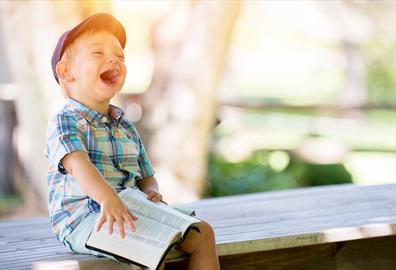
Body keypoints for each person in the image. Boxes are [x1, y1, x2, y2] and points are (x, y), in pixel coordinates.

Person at [45, 13, 220, 270]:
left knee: (203, 234)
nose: (113, 58)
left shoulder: (123, 123)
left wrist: (150, 190)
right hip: (85, 219)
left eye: (120, 55)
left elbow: (145, 174)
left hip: (130, 208)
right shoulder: (66, 121)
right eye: (97, 53)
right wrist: (107, 199)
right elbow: (79, 166)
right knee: (150, 248)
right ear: (66, 71)